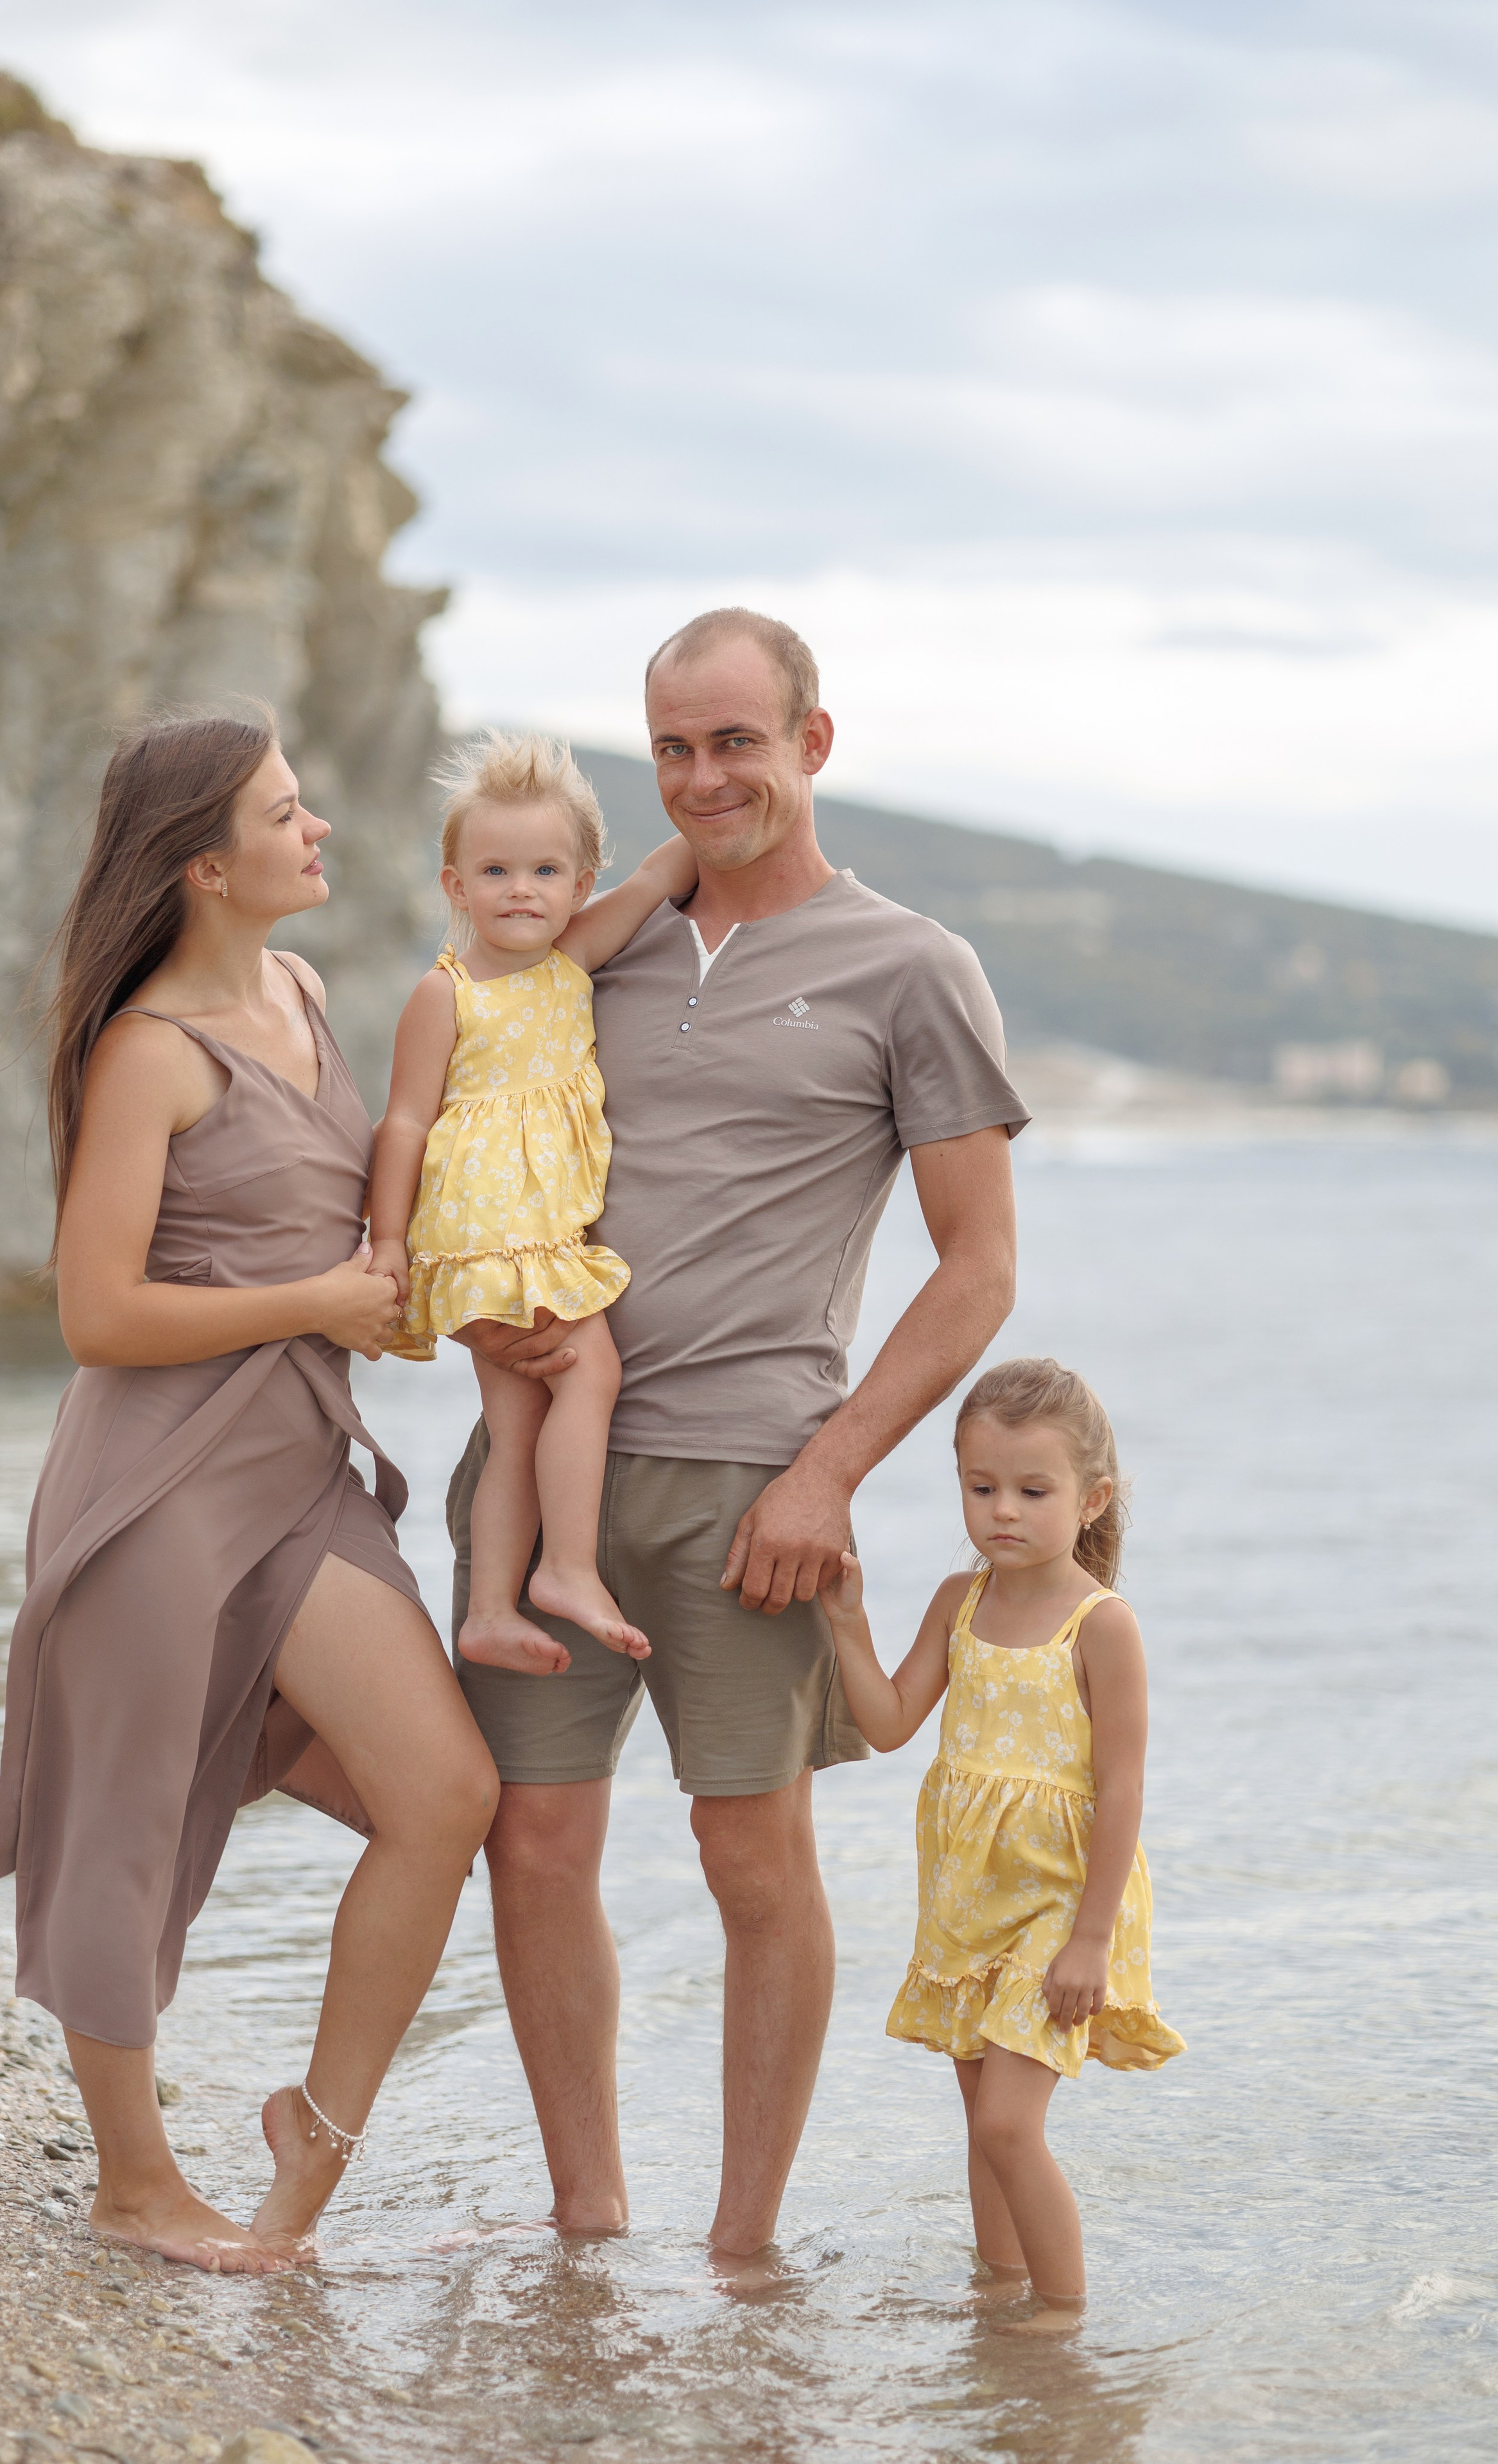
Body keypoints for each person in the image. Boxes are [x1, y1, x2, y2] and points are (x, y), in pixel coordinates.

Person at [445, 608, 1030, 2259]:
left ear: (811, 744)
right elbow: (469, 1129)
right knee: (532, 1842)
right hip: (540, 1474)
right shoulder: (591, 947)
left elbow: (978, 1267)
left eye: (735, 743)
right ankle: (586, 2223)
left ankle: (742, 2251)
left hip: (750, 1484)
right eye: (673, 749)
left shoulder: (910, 967)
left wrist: (828, 1474)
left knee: (750, 1860)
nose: (704, 779)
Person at [0, 708, 499, 2273]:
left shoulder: (307, 992)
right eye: (284, 813)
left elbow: (337, 1233)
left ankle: (309, 2139)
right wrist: (315, 1303)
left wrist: (404, 1296)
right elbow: (97, 1315)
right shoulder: (147, 1052)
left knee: (447, 1796)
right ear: (204, 866)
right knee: (121, 1824)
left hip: (300, 1473)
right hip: (157, 1485)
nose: (317, 827)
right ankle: (134, 2186)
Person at [821, 1357, 1185, 2331]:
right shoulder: (960, 1602)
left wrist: (1092, 1940)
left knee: (1009, 2125)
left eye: (1033, 1491)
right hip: (969, 1900)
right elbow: (890, 1723)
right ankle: (1000, 2296)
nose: (1004, 1512)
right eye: (981, 1489)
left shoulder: (1101, 1626)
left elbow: (1123, 1788)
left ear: (1091, 1498)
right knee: (982, 2123)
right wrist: (849, 1626)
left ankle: (1062, 2317)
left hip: (1065, 1907)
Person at [368, 733, 697, 1669]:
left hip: (527, 1243)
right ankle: (568, 1568)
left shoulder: (572, 960)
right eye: (496, 871)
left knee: (516, 1429)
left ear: (581, 884)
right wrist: (386, 1244)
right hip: (494, 1241)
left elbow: (656, 879)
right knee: (591, 1375)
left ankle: (489, 1613)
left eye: (546, 871)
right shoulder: (447, 995)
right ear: (455, 885)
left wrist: (737, 816)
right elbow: (403, 1123)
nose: (522, 890)